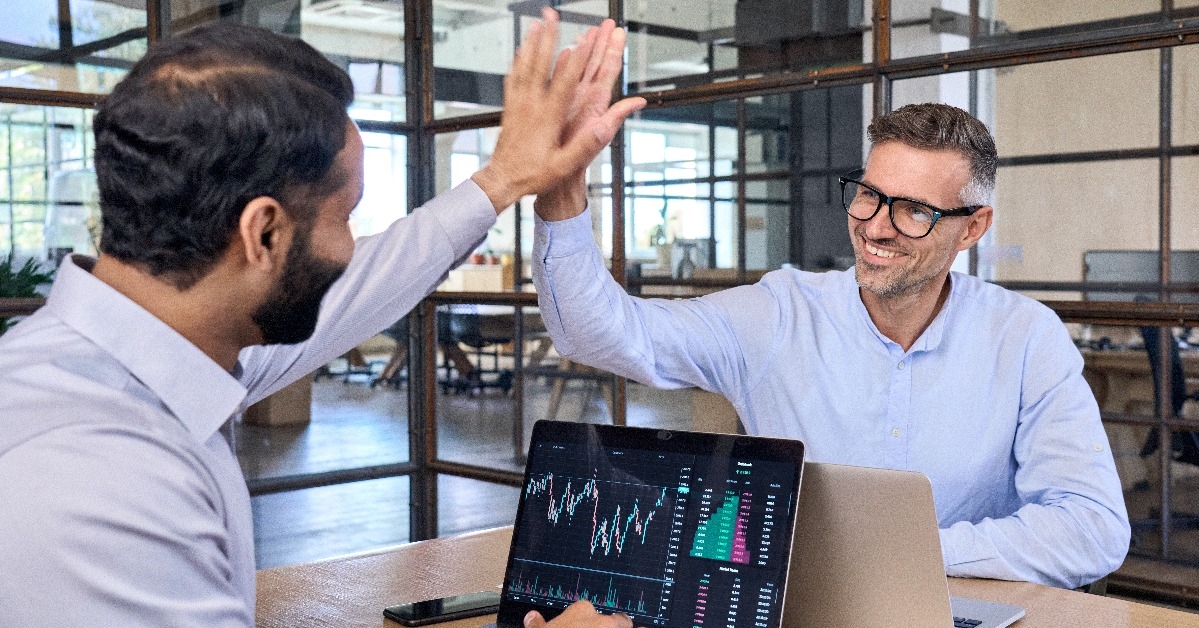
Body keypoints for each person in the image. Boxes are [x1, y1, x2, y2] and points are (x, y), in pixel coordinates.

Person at [0, 9, 642, 627]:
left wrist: (503, 180)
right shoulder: (96, 475)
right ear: (263, 232)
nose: (349, 246)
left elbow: (365, 284)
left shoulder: (149, 358)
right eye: (344, 217)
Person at [529, 103, 1131, 589]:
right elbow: (598, 332)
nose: (876, 226)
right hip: (807, 608)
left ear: (972, 227)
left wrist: (909, 554)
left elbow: (1093, 527)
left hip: (958, 608)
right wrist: (561, 195)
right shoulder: (779, 314)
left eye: (914, 210)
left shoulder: (1025, 338)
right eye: (869, 194)